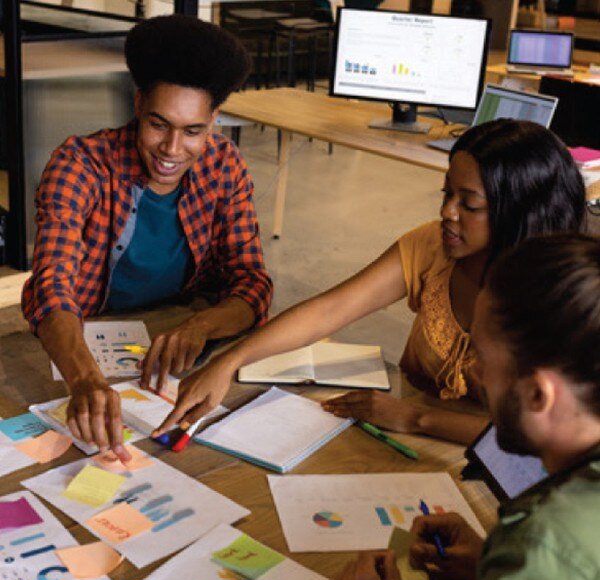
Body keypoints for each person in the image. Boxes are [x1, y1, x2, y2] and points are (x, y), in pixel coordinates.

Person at [153, 119, 585, 444]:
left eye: (468, 204)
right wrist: (229, 362)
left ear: (518, 213)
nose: (447, 212)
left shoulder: (563, 303)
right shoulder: (434, 247)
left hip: (481, 459)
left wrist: (416, 420)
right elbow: (330, 310)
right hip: (397, 432)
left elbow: (553, 442)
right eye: (445, 194)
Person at [21, 15, 273, 462]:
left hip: (174, 349)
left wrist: (200, 328)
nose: (172, 150)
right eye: (159, 125)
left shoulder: (224, 165)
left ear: (214, 120)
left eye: (193, 130)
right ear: (138, 104)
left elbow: (252, 283)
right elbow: (51, 286)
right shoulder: (80, 164)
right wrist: (83, 378)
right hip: (84, 346)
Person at [336, 234, 600, 580]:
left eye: (483, 358)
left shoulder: (544, 550)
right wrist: (489, 571)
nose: (472, 372)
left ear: (539, 394)